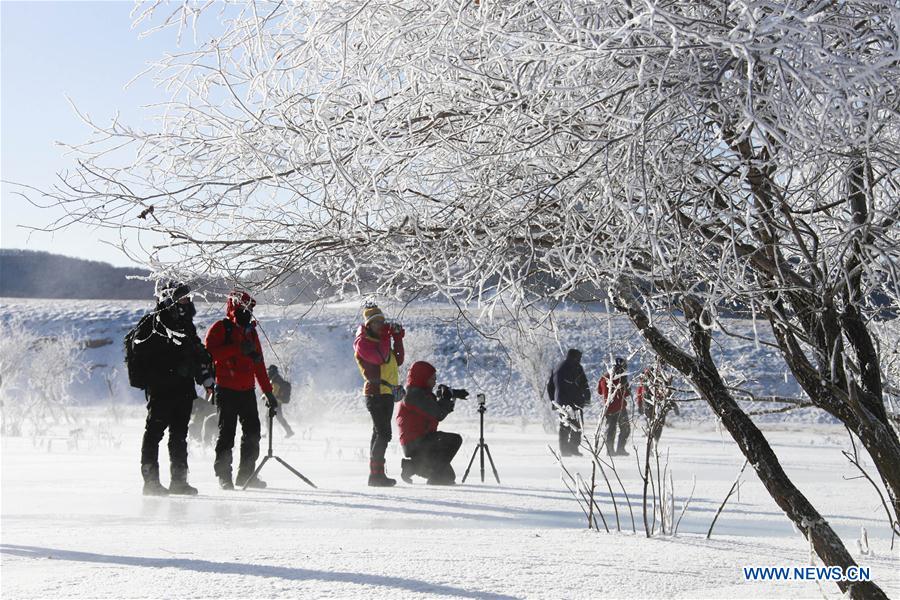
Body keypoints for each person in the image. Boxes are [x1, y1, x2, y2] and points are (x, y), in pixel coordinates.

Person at [129, 281, 213, 496]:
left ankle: (179, 481)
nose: (187, 301)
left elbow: (196, 351)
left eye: (188, 298)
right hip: (161, 389)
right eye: (182, 297)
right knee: (154, 433)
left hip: (183, 389)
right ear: (170, 299)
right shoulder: (152, 323)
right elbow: (141, 353)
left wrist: (205, 378)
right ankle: (151, 482)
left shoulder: (186, 324)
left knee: (179, 435)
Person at [205, 290, 278, 490]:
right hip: (226, 390)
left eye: (250, 308)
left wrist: (268, 392)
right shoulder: (221, 328)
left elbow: (259, 365)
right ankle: (224, 476)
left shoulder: (251, 332)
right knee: (227, 433)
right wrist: (237, 349)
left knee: (253, 432)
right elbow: (210, 353)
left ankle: (246, 475)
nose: (247, 312)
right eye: (243, 308)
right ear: (234, 307)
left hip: (247, 391)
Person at [353, 303, 405, 487]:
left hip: (386, 393)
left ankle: (376, 474)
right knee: (384, 433)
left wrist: (397, 338)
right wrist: (387, 336)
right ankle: (375, 475)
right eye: (377, 323)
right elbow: (381, 358)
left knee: (378, 433)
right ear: (368, 324)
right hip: (375, 394)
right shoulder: (363, 343)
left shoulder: (382, 340)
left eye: (382, 322)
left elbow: (397, 360)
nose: (381, 325)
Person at [396, 361, 466, 485]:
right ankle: (432, 476)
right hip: (416, 442)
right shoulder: (413, 396)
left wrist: (451, 395)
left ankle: (411, 466)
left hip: (423, 441)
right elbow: (438, 414)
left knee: (448, 476)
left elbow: (436, 410)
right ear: (422, 378)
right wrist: (445, 398)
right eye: (432, 378)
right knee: (455, 440)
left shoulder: (422, 394)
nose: (434, 381)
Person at [546, 348, 591, 457]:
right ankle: (573, 448)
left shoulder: (557, 367)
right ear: (576, 357)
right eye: (579, 357)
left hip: (561, 402)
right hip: (574, 401)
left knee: (564, 425)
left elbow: (550, 386)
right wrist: (587, 398)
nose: (580, 360)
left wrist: (554, 401)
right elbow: (584, 384)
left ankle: (564, 450)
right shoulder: (576, 366)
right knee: (577, 425)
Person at [598, 357, 632, 456]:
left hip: (608, 408)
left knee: (610, 430)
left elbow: (599, 391)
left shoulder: (605, 376)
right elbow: (626, 393)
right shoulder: (622, 378)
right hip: (620, 407)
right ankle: (620, 449)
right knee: (625, 429)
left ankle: (610, 451)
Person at [636, 363, 678, 442]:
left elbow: (668, 391)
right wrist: (640, 404)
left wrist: (673, 404)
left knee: (656, 424)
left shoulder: (664, 376)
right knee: (653, 424)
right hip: (650, 403)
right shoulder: (648, 375)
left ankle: (654, 443)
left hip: (658, 404)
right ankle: (651, 443)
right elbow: (641, 390)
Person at [266, 365, 295, 438]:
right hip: (278, 401)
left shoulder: (276, 380)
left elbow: (274, 392)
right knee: (278, 417)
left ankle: (269, 434)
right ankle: (289, 431)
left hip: (276, 402)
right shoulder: (276, 378)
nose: (268, 372)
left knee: (269, 417)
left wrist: (269, 399)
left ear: (272, 371)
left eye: (269, 370)